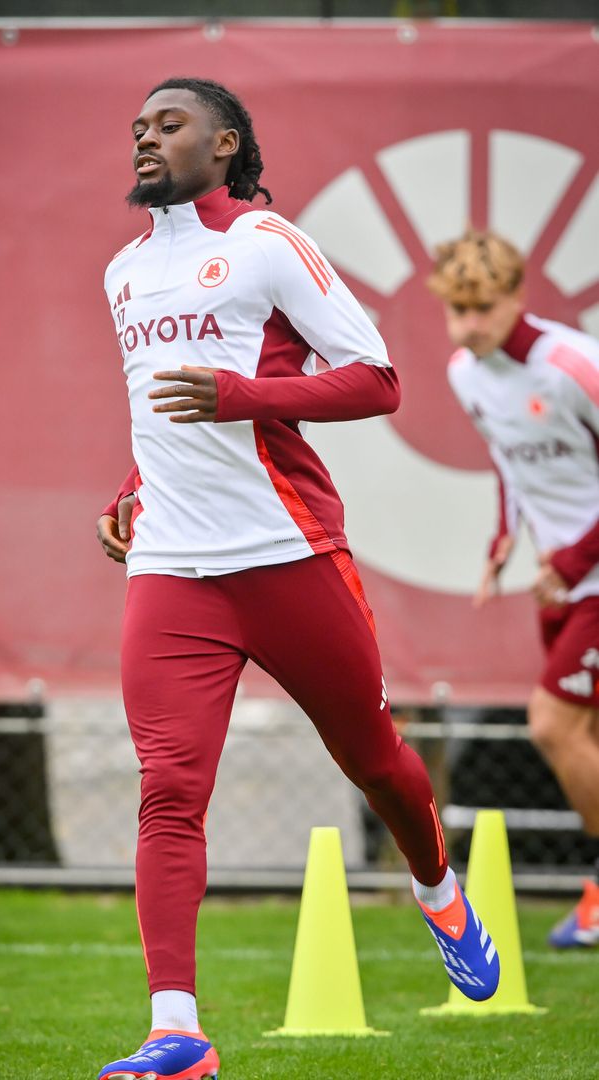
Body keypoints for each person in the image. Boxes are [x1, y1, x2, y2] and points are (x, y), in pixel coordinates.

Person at [95, 78, 499, 1080]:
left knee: (373, 756)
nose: (146, 137)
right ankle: (176, 1033)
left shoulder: (270, 243)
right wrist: (133, 485)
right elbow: (161, 414)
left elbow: (375, 379)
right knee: (168, 789)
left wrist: (244, 394)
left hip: (286, 552)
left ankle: (437, 887)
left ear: (224, 143)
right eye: (138, 127)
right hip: (172, 566)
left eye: (170, 124)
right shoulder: (123, 272)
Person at [428, 228, 599, 949]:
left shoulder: (573, 363)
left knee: (552, 725)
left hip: (584, 575)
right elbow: (512, 465)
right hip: (560, 582)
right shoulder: (465, 372)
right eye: (457, 311)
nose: (470, 326)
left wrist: (573, 558)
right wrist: (504, 542)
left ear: (518, 297)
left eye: (484, 309)